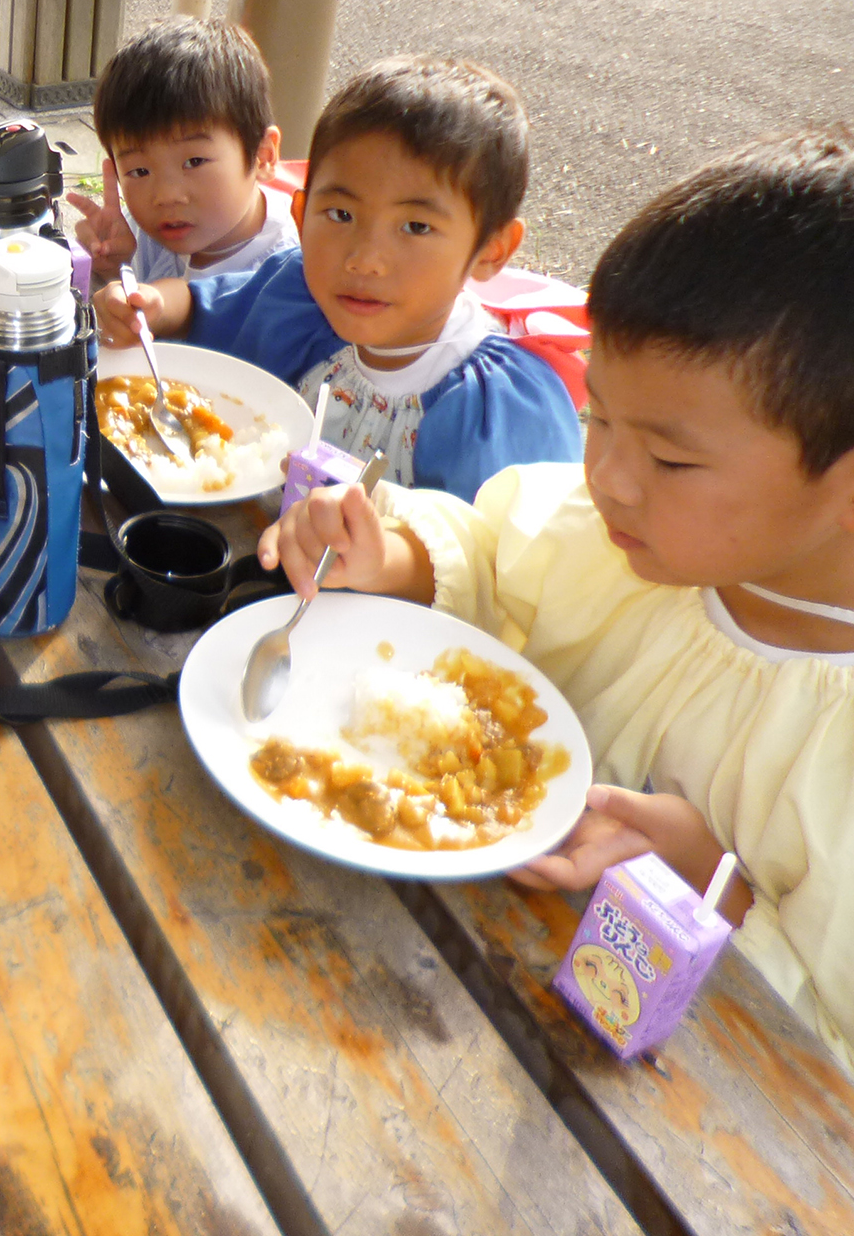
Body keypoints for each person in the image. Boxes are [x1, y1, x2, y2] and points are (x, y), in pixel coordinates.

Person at [258, 128, 854, 1069]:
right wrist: (391, 554)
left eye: (670, 459)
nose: (607, 477)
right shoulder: (609, 537)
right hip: (410, 979)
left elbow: (829, 1059)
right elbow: (491, 552)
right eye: (598, 416)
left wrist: (715, 883)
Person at [95, 55, 582, 500]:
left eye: (416, 227)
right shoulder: (296, 292)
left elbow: (509, 554)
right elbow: (201, 304)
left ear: (491, 250)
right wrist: (151, 306)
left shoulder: (497, 409)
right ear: (302, 214)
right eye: (341, 215)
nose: (365, 260)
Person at [65, 18, 293, 285]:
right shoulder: (137, 234)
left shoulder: (291, 277)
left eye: (194, 162)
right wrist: (113, 271)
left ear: (262, 156)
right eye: (140, 171)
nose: (166, 196)